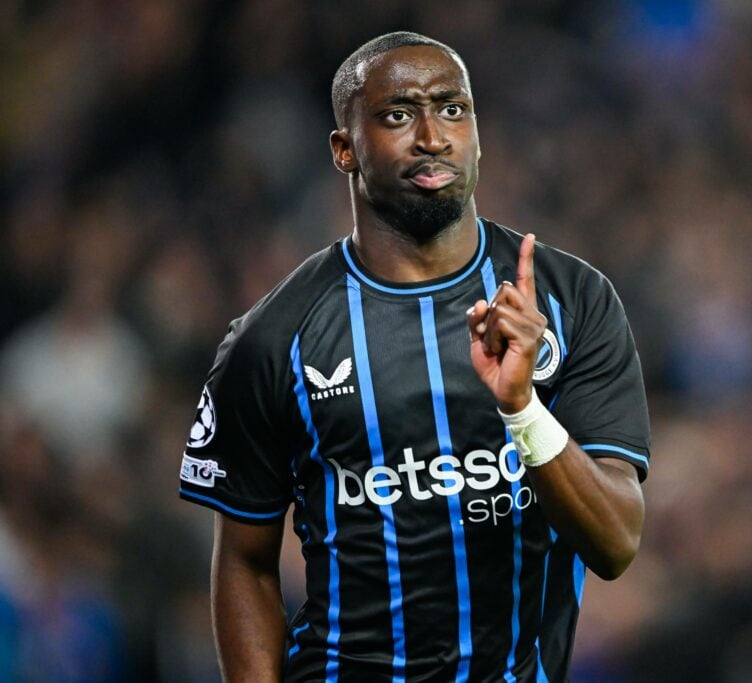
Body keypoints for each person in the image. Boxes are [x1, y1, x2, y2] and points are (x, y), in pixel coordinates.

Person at [178, 31, 650, 683]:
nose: (432, 135)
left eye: (453, 109)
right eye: (398, 114)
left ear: (479, 136)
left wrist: (522, 409)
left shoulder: (576, 302)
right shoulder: (273, 338)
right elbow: (246, 562)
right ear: (345, 149)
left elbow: (617, 542)